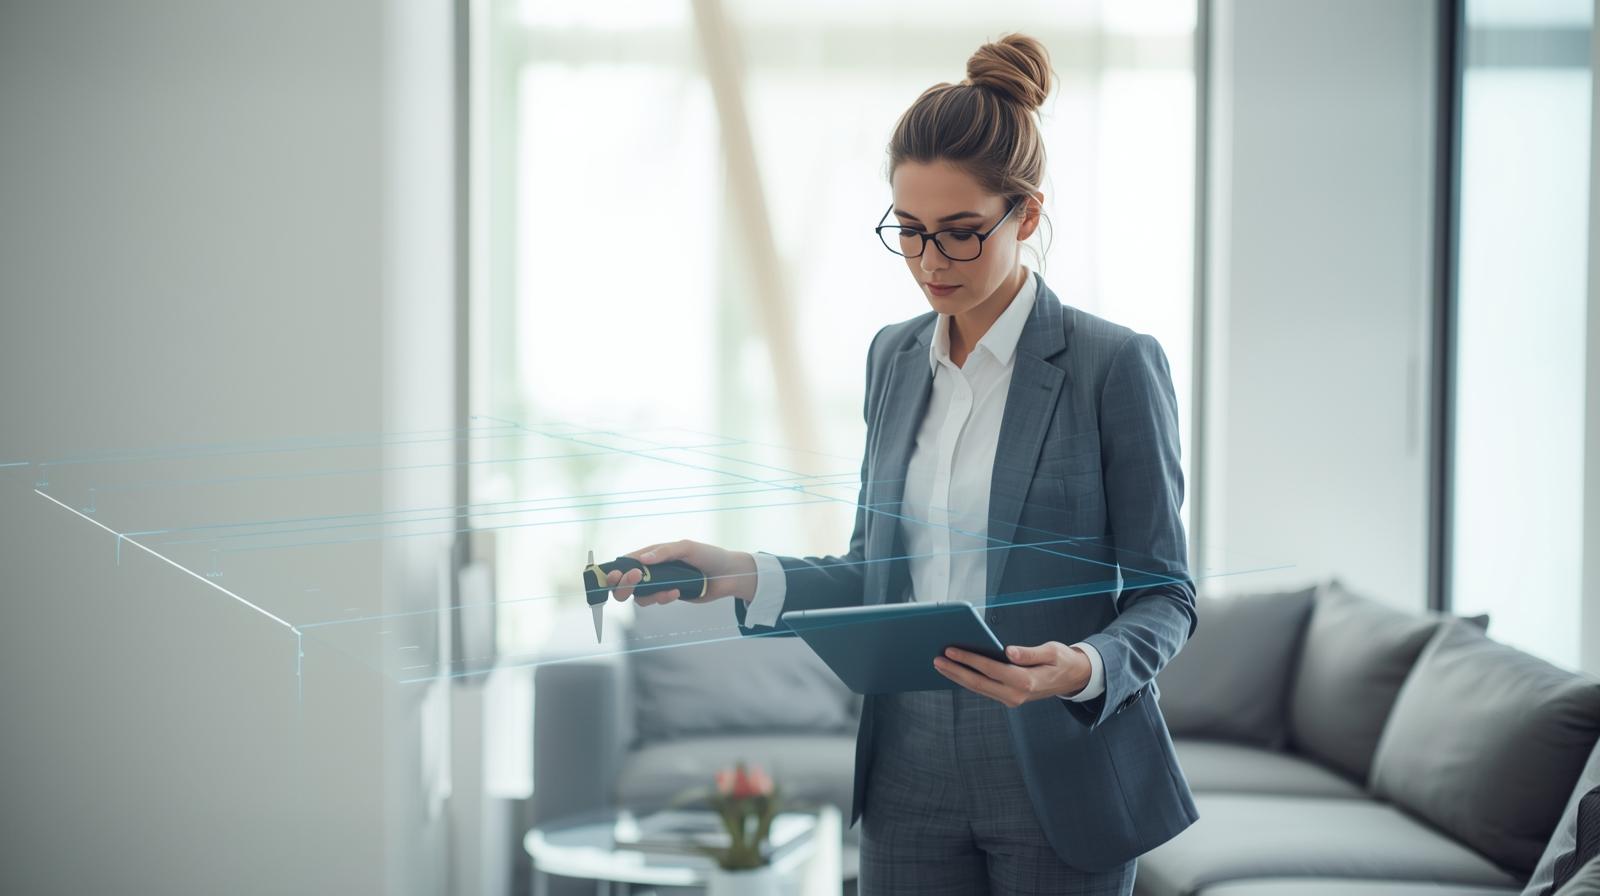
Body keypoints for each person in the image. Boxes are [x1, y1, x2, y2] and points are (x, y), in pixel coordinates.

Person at [604, 32, 1198, 896]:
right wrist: (733, 571)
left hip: (1060, 762)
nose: (929, 263)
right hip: (907, 766)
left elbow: (1166, 593)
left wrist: (1085, 665)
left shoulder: (1113, 366)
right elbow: (871, 573)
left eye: (960, 234)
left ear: (1025, 216)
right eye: (909, 232)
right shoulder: (893, 358)